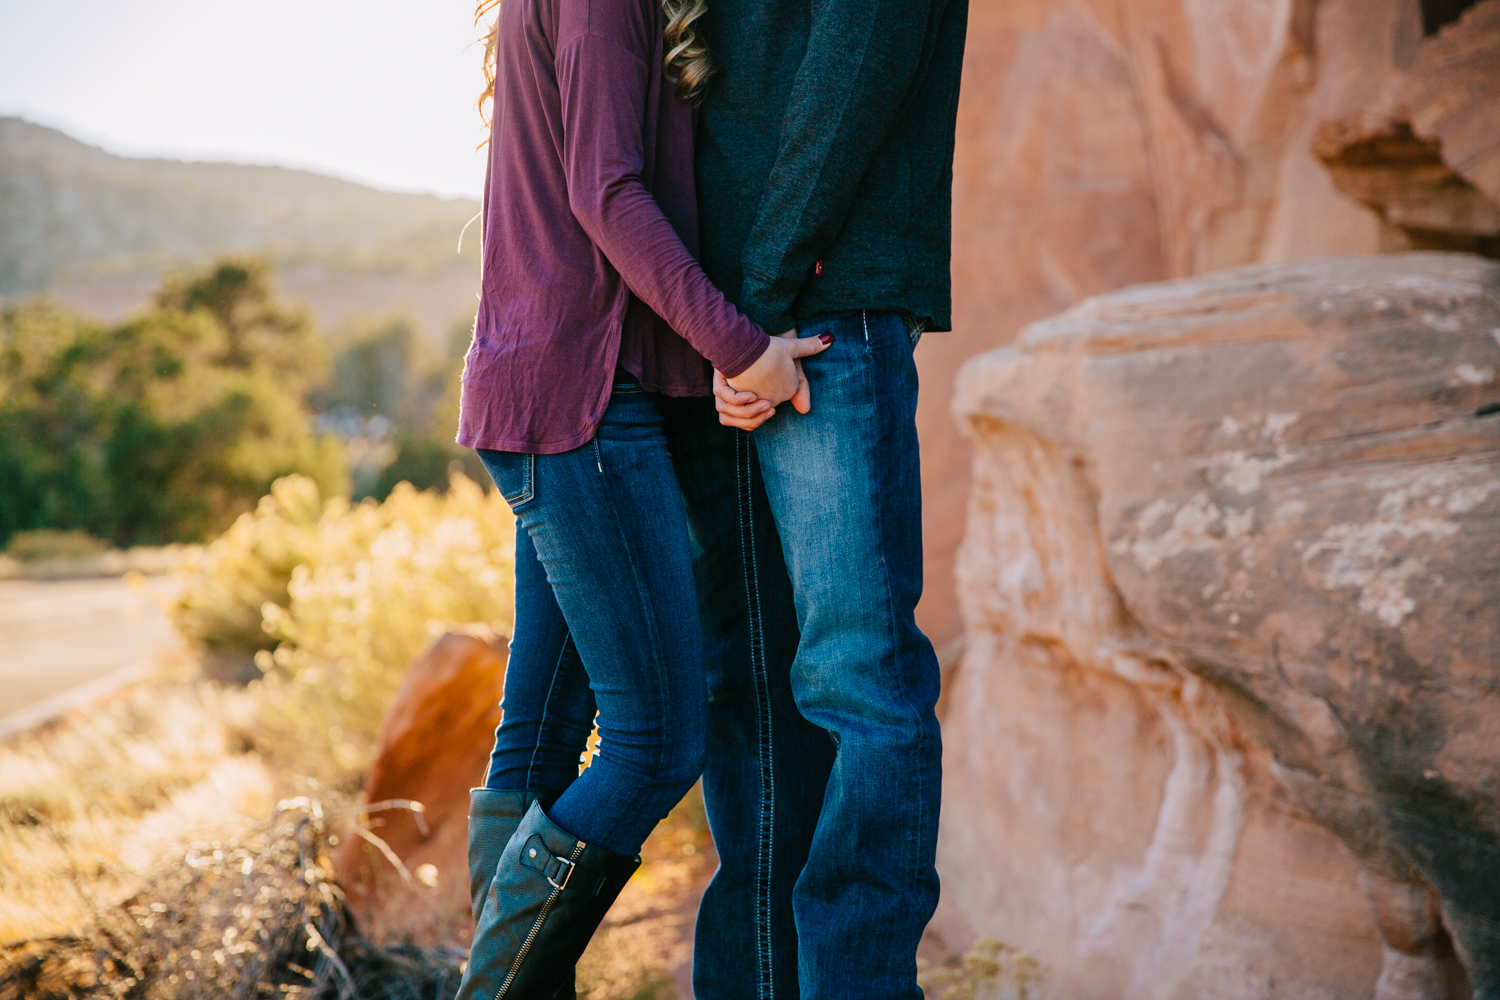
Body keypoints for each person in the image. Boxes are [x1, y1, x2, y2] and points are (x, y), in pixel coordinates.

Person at [451, 0, 830, 995]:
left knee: (536, 740)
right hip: (585, 409)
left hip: (542, 398)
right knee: (657, 740)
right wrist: (743, 349)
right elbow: (608, 193)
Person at [687, 1, 971, 998]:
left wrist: (754, 316)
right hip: (718, 329)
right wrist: (718, 327)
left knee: (859, 677)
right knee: (748, 689)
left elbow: (860, 60)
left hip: (814, 320)